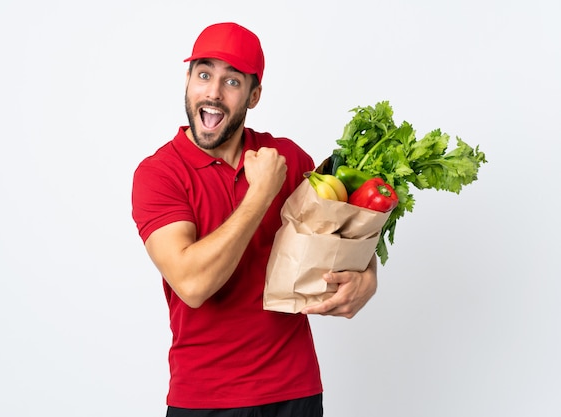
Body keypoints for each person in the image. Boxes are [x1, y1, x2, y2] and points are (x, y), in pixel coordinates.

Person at [131, 22, 378, 417]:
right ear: (188, 80)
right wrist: (261, 193)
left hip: (295, 391)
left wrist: (367, 278)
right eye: (204, 74)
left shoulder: (288, 158)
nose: (213, 91)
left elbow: (338, 239)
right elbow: (193, 284)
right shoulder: (160, 174)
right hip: (205, 399)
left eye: (232, 81)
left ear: (254, 95)